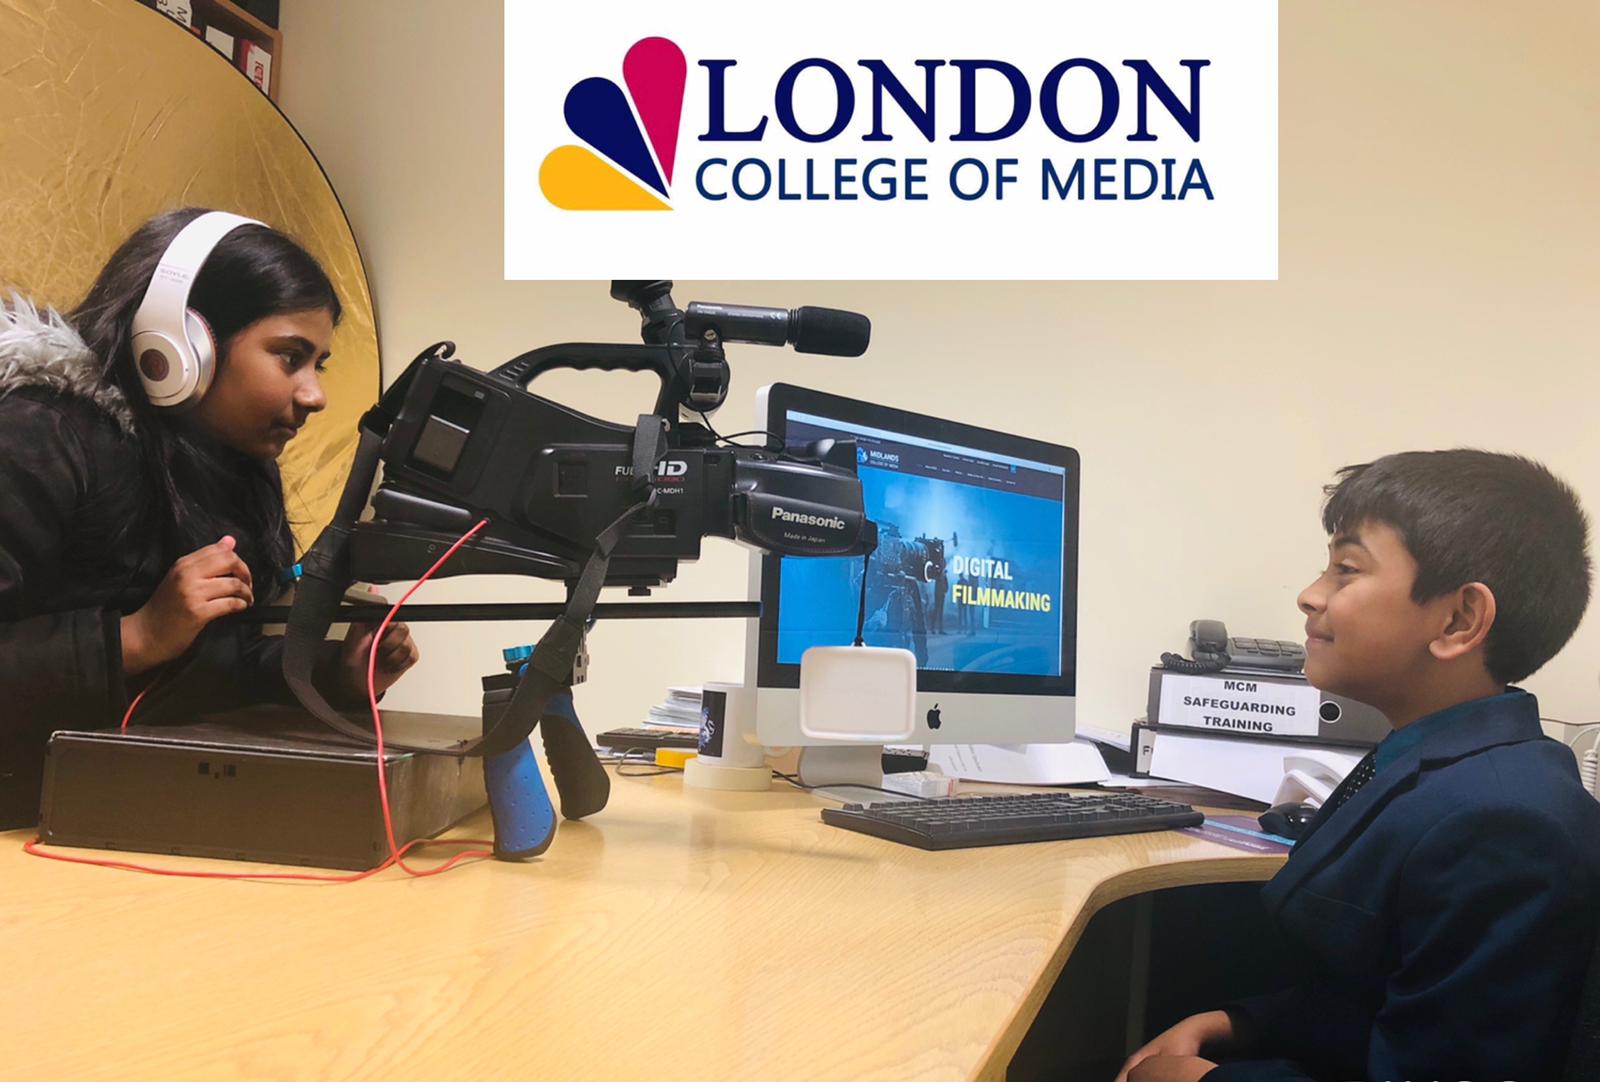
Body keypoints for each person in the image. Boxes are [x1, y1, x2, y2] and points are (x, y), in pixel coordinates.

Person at [1117, 449, 1600, 1082]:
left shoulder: (1504, 823)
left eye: (1346, 570)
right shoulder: (1432, 762)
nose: (1309, 595)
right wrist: (1243, 1023)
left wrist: (1201, 1081)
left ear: (1459, 620)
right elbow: (1371, 988)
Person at [0, 208, 418, 829]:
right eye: (290, 356)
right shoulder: (38, 435)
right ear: (179, 345)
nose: (315, 395)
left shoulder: (230, 462)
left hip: (136, 815)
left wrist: (338, 676)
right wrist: (136, 637)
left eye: (319, 364)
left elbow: (213, 670)